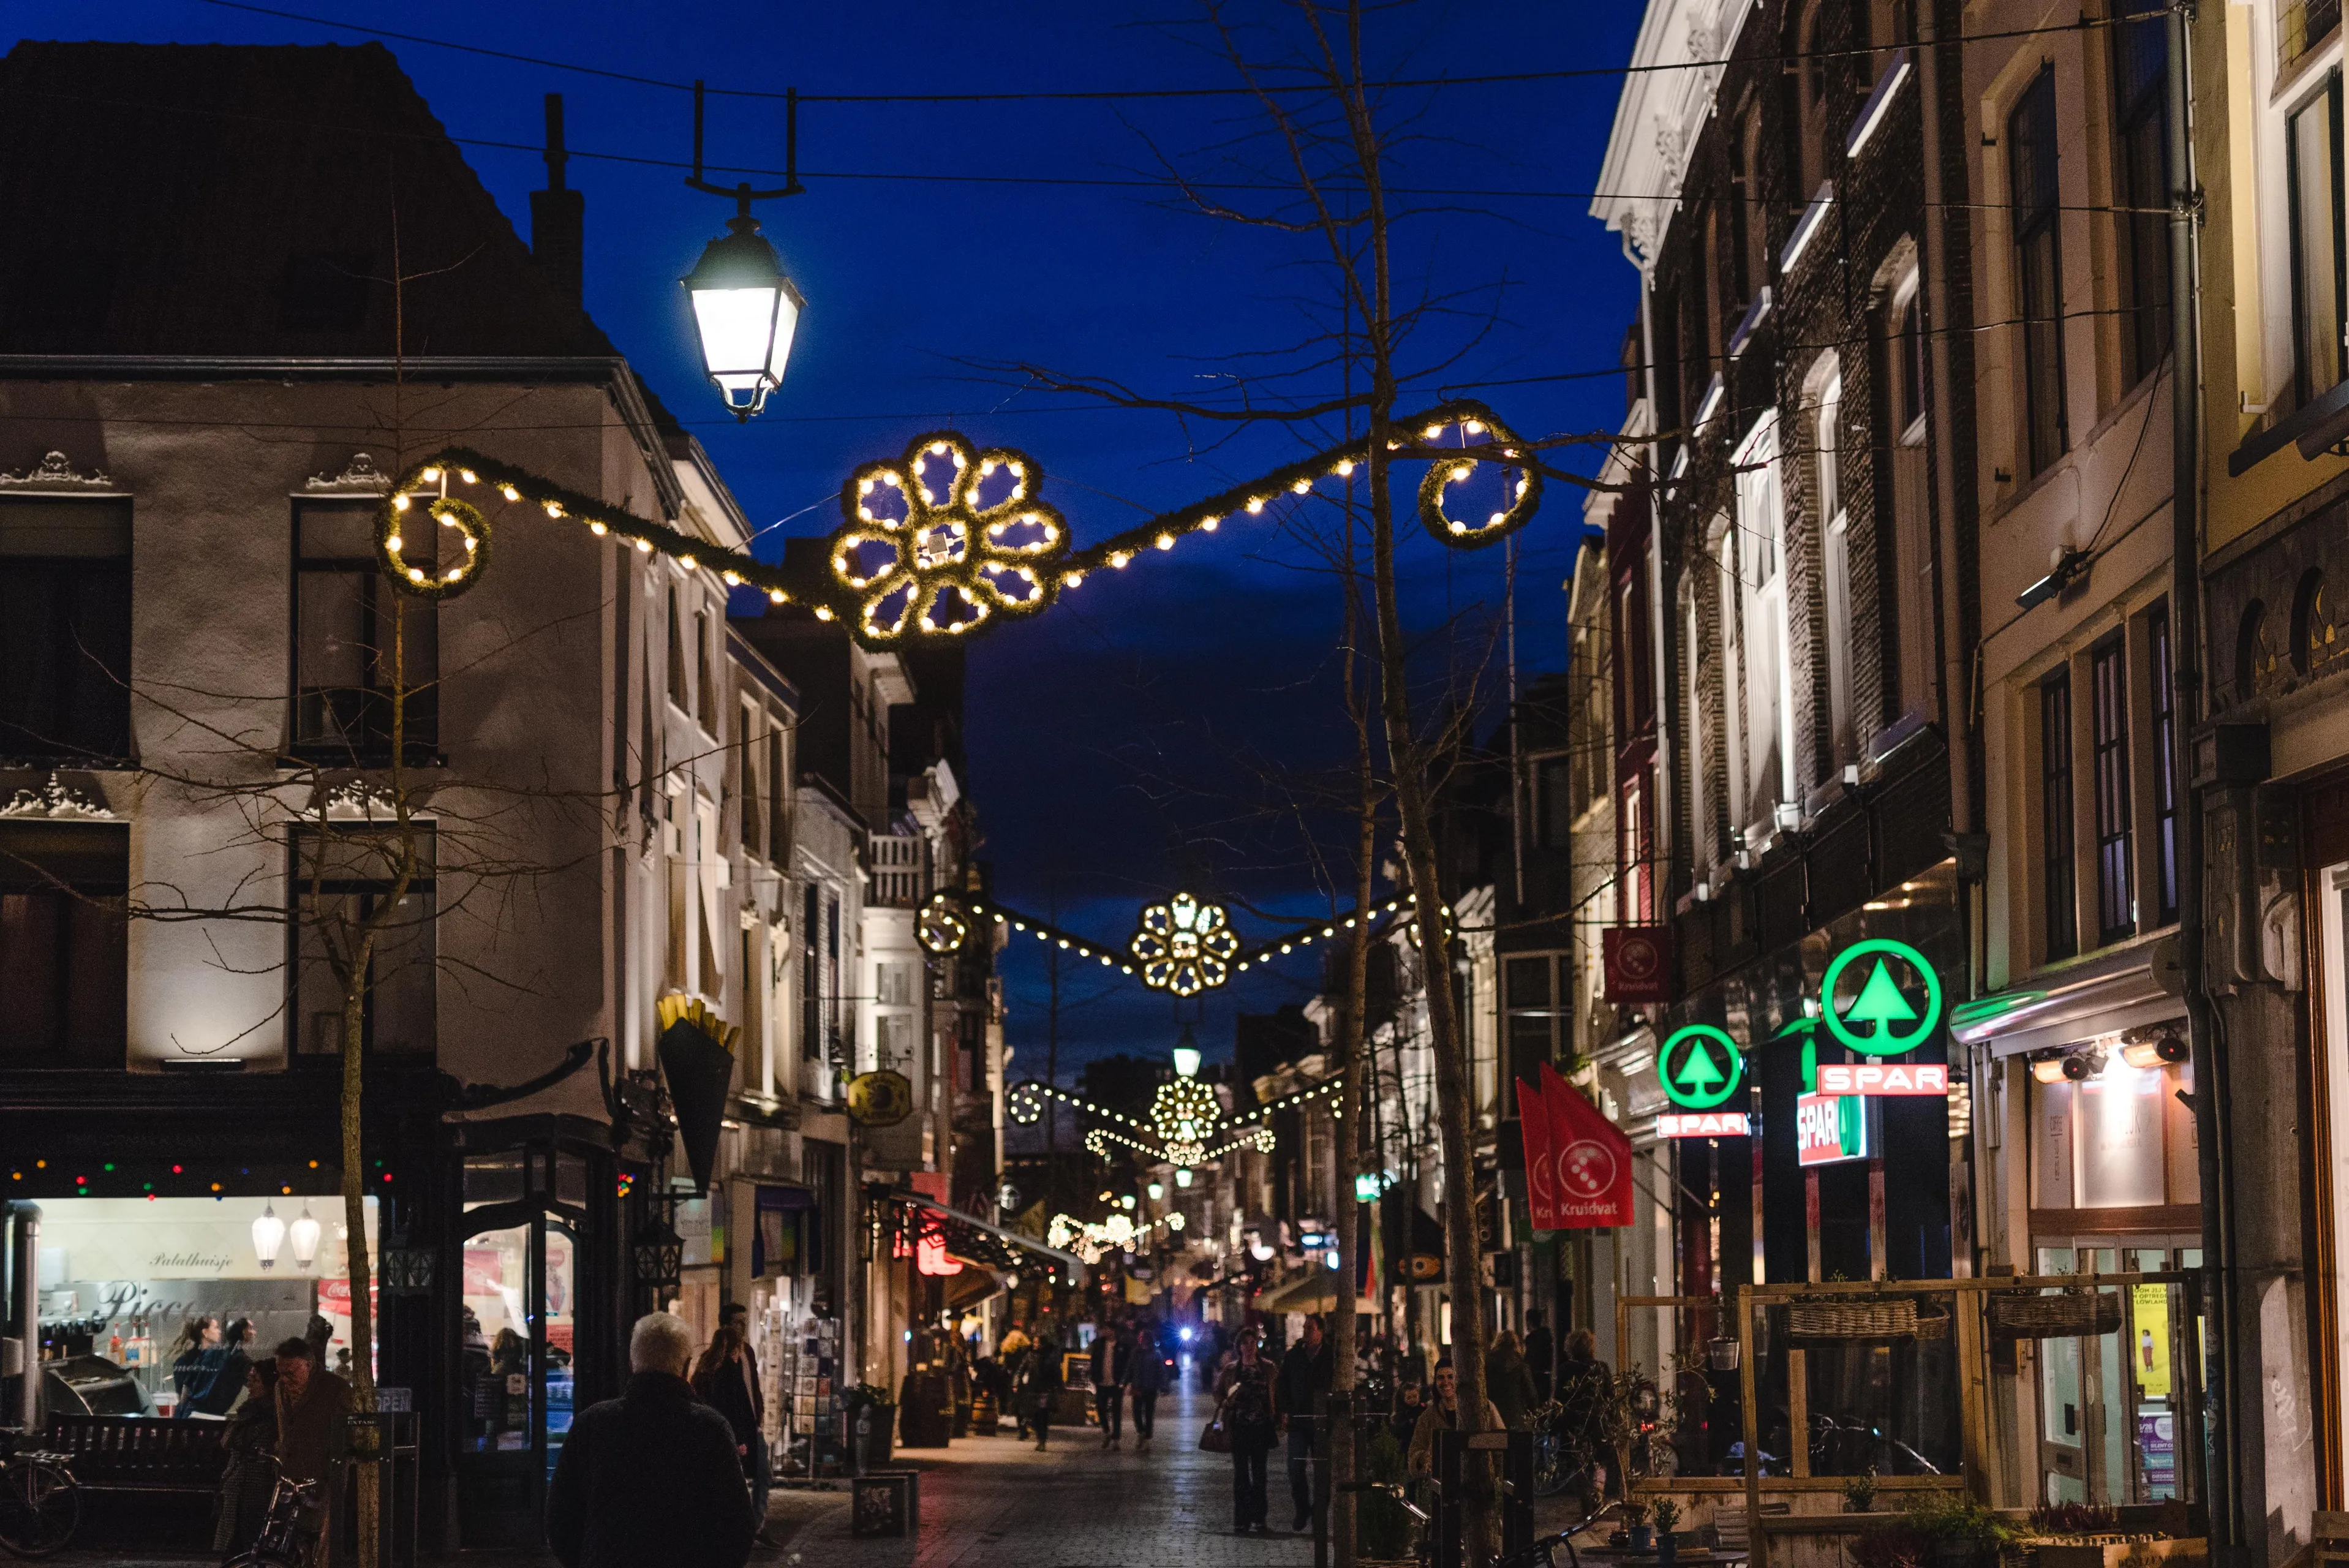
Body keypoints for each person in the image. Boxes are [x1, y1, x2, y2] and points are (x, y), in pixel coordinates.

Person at [548, 1311, 753, 1568]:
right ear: (687, 1365)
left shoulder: (592, 1424)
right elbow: (737, 1526)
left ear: (632, 1364)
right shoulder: (711, 1428)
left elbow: (560, 1517)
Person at [717, 1303, 774, 1546]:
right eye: (738, 1322)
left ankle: (754, 1525)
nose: (742, 1326)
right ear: (727, 1325)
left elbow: (754, 1387)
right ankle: (737, 1528)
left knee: (764, 1473)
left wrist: (759, 1411)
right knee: (733, 1480)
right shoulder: (722, 1356)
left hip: (753, 1425)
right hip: (733, 1427)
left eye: (744, 1321)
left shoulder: (748, 1352)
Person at [212, 1359, 279, 1558]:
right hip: (238, 1484)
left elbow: (234, 1442)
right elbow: (227, 1441)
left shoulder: (269, 1414)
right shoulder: (250, 1409)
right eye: (250, 1379)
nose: (249, 1384)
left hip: (255, 1486)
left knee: (247, 1540)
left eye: (255, 1380)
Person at [1216, 1328, 1279, 1534]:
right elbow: (1218, 1393)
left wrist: (1278, 1416)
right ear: (1239, 1347)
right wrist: (1227, 1401)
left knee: (1260, 1475)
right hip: (1239, 1427)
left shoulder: (1268, 1368)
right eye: (1245, 1343)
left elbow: (1277, 1394)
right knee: (1241, 1475)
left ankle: (1260, 1519)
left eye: (1253, 1342)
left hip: (1261, 1427)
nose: (1249, 1347)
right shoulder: (1231, 1370)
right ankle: (1241, 1519)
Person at [1276, 1314, 1331, 1532]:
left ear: (1321, 1331)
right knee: (1295, 1467)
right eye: (1305, 1327)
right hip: (1299, 1421)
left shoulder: (1330, 1356)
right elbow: (1283, 1384)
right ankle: (1302, 1508)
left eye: (1311, 1328)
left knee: (1322, 1471)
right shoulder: (1294, 1356)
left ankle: (1319, 1513)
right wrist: (1285, 1410)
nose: (1307, 1332)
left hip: (1322, 1421)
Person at [1407, 1360, 1504, 1479]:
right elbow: (1414, 1453)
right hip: (1445, 1483)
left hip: (1481, 1480)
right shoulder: (1428, 1417)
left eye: (1451, 1377)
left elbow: (1501, 1441)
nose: (1446, 1382)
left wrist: (1497, 1477)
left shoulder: (1484, 1408)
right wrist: (1425, 1457)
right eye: (1441, 1378)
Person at [1556, 1329, 1615, 1495]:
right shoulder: (1601, 1368)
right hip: (1598, 1423)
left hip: (1573, 1424)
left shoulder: (1565, 1369)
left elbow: (1559, 1399)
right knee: (1600, 1462)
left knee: (1578, 1465)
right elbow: (1609, 1395)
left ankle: (1586, 1501)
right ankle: (1598, 1493)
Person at [186, 1318, 254, 1418]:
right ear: (243, 1332)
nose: (254, 1332)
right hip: (211, 1418)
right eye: (251, 1328)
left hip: (191, 1414)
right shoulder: (242, 1360)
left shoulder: (209, 1353)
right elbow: (257, 1386)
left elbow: (186, 1387)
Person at [1014, 1330, 1062, 1451]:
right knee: (1034, 1416)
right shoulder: (1030, 1355)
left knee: (1043, 1415)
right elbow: (1021, 1370)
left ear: (1043, 1344)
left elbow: (1057, 1372)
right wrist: (1016, 1383)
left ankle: (1042, 1441)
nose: (1035, 1344)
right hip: (1032, 1389)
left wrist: (1060, 1386)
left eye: (1038, 1342)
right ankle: (1039, 1437)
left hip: (1046, 1390)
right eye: (1034, 1342)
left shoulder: (1051, 1356)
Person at [1487, 1329, 1540, 1431]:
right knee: (1516, 1446)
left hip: (1494, 1419)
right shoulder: (1521, 1366)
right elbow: (1531, 1395)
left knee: (1495, 1445)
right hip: (1517, 1420)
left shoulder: (1487, 1364)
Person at [1128, 1319, 1166, 1452]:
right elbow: (1130, 1368)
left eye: (1143, 1337)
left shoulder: (1156, 1354)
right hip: (1138, 1387)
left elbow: (1161, 1371)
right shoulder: (1135, 1353)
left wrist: (1164, 1386)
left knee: (1149, 1415)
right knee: (1137, 1413)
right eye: (1140, 1337)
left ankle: (1148, 1439)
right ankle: (1141, 1432)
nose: (1141, 1339)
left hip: (1150, 1388)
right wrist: (1125, 1382)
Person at [167, 1316, 217, 1411]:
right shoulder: (195, 1360)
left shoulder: (187, 1360)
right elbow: (184, 1394)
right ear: (205, 1333)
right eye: (215, 1328)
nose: (219, 1331)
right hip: (193, 1415)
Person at [1092, 1323, 1128, 1449]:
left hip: (1116, 1383)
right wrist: (1094, 1377)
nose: (1106, 1332)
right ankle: (1107, 1431)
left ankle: (1116, 1439)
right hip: (1102, 1382)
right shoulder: (1098, 1345)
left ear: (1113, 1331)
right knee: (1100, 1408)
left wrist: (1125, 1381)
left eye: (1108, 1329)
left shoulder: (1121, 1346)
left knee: (1116, 1411)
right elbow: (1094, 1361)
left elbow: (1126, 1365)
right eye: (1104, 1329)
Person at [1523, 1310, 1556, 1406]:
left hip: (1535, 1377)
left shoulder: (1530, 1339)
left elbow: (1529, 1359)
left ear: (1529, 1322)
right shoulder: (1547, 1336)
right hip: (1546, 1376)